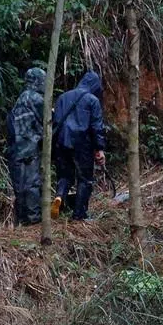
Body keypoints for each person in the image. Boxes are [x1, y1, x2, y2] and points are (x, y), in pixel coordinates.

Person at [52, 71, 106, 221]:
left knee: (65, 176)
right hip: (82, 144)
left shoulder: (63, 97)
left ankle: (59, 198)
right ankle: (79, 215)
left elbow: (55, 121)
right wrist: (99, 148)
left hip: (61, 143)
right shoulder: (92, 100)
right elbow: (96, 126)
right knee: (85, 179)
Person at [6, 67, 46, 226]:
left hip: (16, 149)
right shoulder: (34, 98)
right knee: (31, 184)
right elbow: (48, 120)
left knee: (21, 186)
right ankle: (33, 220)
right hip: (28, 149)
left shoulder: (21, 98)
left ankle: (23, 219)